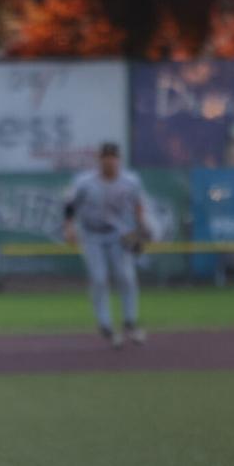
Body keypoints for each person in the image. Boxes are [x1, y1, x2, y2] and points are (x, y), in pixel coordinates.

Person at [63, 142, 148, 347]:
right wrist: (69, 227)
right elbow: (69, 204)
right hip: (92, 235)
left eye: (113, 156)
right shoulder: (85, 182)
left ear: (119, 160)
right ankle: (105, 324)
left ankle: (129, 322)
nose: (109, 160)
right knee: (99, 279)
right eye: (105, 157)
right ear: (99, 160)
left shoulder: (130, 181)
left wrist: (141, 227)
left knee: (126, 277)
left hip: (119, 234)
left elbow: (138, 204)